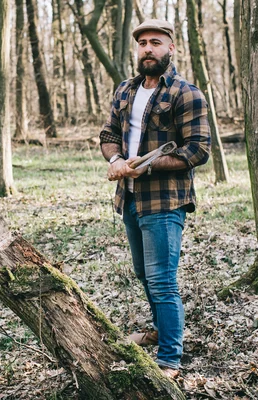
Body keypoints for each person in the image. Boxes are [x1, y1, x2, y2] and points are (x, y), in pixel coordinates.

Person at [99, 19, 211, 378]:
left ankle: (169, 359)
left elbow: (198, 150)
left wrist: (145, 166)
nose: (148, 48)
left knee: (162, 279)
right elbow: (108, 132)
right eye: (143, 43)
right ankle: (162, 332)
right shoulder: (125, 90)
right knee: (143, 274)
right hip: (130, 199)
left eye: (156, 43)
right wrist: (116, 160)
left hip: (164, 202)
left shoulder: (185, 93)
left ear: (171, 48)